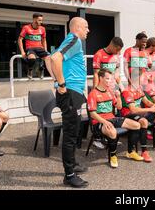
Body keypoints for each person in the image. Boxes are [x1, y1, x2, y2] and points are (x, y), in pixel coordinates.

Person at [51, 17, 89, 188]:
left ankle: (72, 164)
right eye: (86, 27)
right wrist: (61, 83)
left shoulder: (71, 41)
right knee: (70, 134)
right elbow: (54, 58)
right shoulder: (74, 39)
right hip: (70, 93)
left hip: (74, 93)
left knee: (74, 131)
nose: (88, 31)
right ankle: (69, 175)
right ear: (78, 27)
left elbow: (50, 59)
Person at [87, 69, 141, 168]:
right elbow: (92, 114)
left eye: (111, 79)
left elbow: (119, 107)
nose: (110, 81)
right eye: (107, 79)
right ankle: (113, 156)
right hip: (98, 122)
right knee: (112, 132)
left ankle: (130, 152)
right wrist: (104, 122)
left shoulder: (110, 92)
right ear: (101, 78)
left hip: (112, 119)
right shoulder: (93, 94)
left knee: (136, 125)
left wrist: (119, 96)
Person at [18, 13, 53, 80]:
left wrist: (45, 50)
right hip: (30, 48)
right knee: (32, 58)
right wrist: (22, 52)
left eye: (41, 20)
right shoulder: (26, 28)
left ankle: (40, 70)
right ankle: (30, 70)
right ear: (34, 19)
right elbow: (20, 39)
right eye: (39, 20)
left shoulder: (42, 29)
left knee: (49, 58)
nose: (41, 22)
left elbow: (44, 40)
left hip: (40, 48)